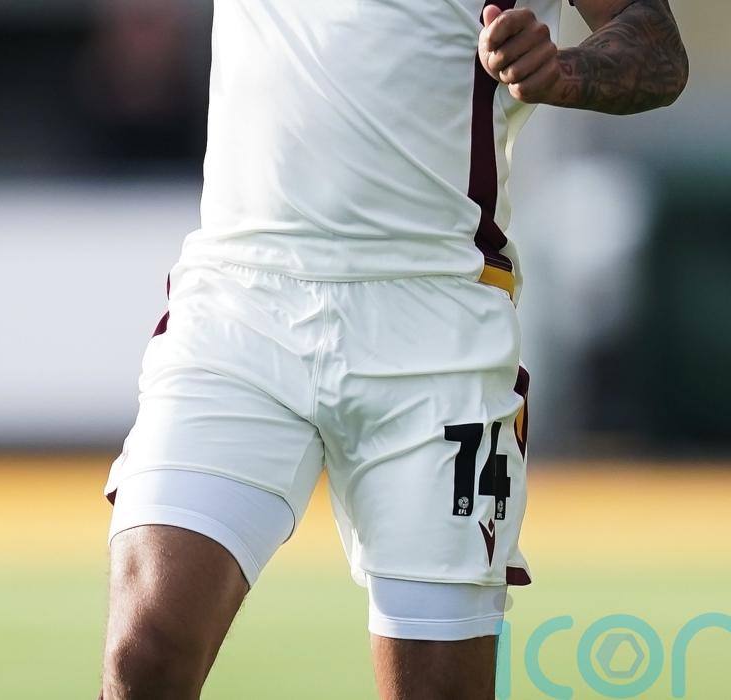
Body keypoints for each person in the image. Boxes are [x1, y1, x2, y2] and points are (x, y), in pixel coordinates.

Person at [99, 1, 688, 697]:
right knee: (147, 651)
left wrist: (564, 70)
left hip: (437, 326)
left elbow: (656, 44)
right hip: (240, 301)